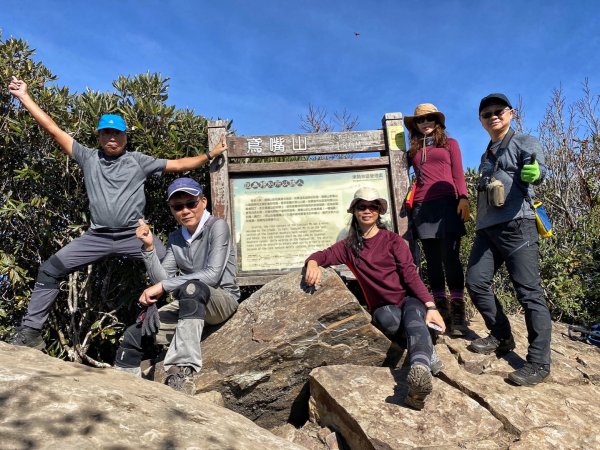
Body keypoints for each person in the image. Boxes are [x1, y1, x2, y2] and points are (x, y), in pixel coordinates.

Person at [7, 77, 227, 350]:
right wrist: (24, 97)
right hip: (97, 236)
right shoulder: (88, 157)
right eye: (106, 134)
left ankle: (188, 323)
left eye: (117, 134)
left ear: (125, 137)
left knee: (172, 272)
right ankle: (31, 333)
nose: (112, 138)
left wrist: (208, 156)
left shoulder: (139, 161)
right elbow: (53, 129)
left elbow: (179, 164)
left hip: (134, 236)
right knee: (50, 270)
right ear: (99, 137)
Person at [304, 187, 446, 410]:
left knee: (412, 314)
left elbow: (410, 274)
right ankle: (426, 351)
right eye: (362, 206)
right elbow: (323, 256)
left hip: (409, 300)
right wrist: (312, 263)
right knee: (390, 319)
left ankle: (419, 370)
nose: (367, 210)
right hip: (383, 308)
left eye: (372, 206)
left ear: (379, 211)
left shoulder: (393, 241)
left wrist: (430, 305)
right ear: (355, 211)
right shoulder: (350, 247)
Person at [114, 178, 240, 391]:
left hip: (221, 300)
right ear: (172, 210)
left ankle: (182, 371)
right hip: (190, 304)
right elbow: (161, 278)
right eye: (178, 206)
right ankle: (124, 386)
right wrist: (149, 248)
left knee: (192, 288)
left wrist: (163, 287)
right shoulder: (176, 237)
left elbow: (212, 275)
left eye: (191, 203)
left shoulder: (217, 227)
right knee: (136, 331)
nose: (185, 211)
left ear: (203, 202)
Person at [465, 93, 552, 386]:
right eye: (486, 113)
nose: (493, 116)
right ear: (481, 120)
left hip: (518, 225)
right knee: (476, 282)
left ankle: (539, 363)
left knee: (528, 293)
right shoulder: (486, 153)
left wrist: (537, 173)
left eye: (498, 111)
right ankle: (502, 335)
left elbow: (541, 171)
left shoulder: (524, 142)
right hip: (487, 230)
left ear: (511, 113)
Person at [403, 103, 470, 337]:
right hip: (422, 207)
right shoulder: (412, 151)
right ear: (415, 126)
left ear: (438, 121)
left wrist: (463, 197)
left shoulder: (449, 144)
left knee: (450, 257)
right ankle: (441, 311)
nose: (425, 123)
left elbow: (458, 173)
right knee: (431, 261)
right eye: (420, 121)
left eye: (430, 119)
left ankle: (459, 315)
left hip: (447, 203)